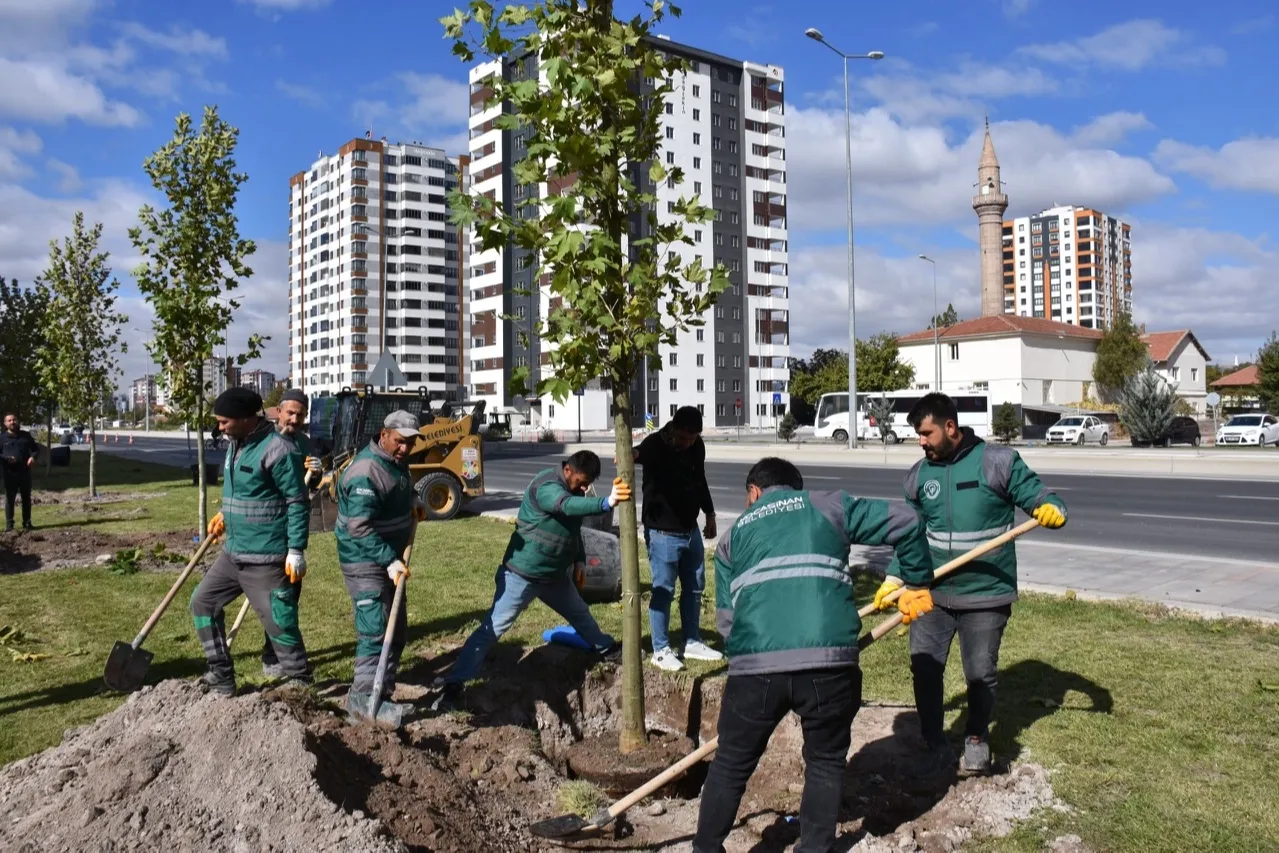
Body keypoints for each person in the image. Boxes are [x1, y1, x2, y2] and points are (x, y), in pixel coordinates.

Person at [694, 457, 934, 853]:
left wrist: (754, 653)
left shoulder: (731, 537)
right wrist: (917, 581)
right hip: (829, 664)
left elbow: (726, 621)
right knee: (825, 762)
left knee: (731, 764)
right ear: (796, 488)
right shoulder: (829, 505)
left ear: (754, 492)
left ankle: (705, 849)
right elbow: (907, 520)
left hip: (755, 669)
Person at [873, 392, 1067, 779]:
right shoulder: (917, 476)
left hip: (986, 593)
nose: (921, 442)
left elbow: (1038, 494)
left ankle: (976, 736)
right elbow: (911, 537)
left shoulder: (997, 462)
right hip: (930, 593)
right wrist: (895, 579)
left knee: (979, 673)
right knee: (925, 668)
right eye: (917, 435)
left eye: (926, 433)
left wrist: (1052, 507)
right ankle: (933, 738)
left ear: (950, 427)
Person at [435, 451, 631, 710]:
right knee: (493, 628)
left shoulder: (575, 489)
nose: (584, 488)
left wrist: (579, 559)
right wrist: (607, 502)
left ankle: (608, 650)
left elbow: (573, 527)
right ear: (568, 470)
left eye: (588, 484)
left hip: (554, 577)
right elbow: (565, 506)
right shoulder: (546, 485)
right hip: (521, 575)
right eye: (582, 482)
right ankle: (454, 685)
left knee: (580, 614)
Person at [190, 388, 312, 696]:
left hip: (266, 557)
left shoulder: (278, 450)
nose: (220, 427)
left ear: (246, 419)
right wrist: (225, 514)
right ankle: (221, 674)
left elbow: (297, 501)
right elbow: (248, 492)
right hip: (233, 554)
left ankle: (300, 682)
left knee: (279, 622)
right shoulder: (236, 444)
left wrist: (295, 549)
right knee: (202, 603)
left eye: (224, 421)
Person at [335, 410, 427, 719]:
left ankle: (382, 692)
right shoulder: (366, 471)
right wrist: (389, 560)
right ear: (384, 434)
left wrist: (413, 497)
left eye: (410, 443)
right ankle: (362, 699)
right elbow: (358, 527)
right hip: (364, 558)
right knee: (375, 628)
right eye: (400, 441)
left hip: (390, 558)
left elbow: (398, 485)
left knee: (396, 629)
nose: (405, 448)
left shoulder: (396, 460)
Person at [633, 405, 721, 671]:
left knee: (694, 588)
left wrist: (710, 513)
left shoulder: (696, 446)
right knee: (663, 590)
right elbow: (634, 455)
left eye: (692, 438)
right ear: (673, 428)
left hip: (690, 530)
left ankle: (691, 641)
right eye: (683, 437)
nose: (687, 443)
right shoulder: (654, 445)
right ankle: (660, 650)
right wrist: (628, 454)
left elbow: (699, 479)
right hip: (662, 532)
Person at [248, 388, 325, 679]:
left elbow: (308, 486)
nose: (294, 419)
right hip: (266, 530)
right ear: (278, 411)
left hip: (292, 530)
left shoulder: (303, 443)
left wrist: (316, 472)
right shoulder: (264, 441)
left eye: (300, 415)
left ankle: (276, 655)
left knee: (289, 598)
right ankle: (272, 658)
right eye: (290, 413)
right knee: (274, 600)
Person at [1, 413, 40, 532]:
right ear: (5, 424)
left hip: (24, 472)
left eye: (14, 420)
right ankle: (9, 526)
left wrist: (33, 457)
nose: (12, 422)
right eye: (9, 420)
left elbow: (36, 449)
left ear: (17, 421)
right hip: (9, 473)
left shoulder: (25, 436)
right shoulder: (2, 438)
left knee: (26, 498)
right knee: (10, 499)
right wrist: (6, 458)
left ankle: (27, 523)